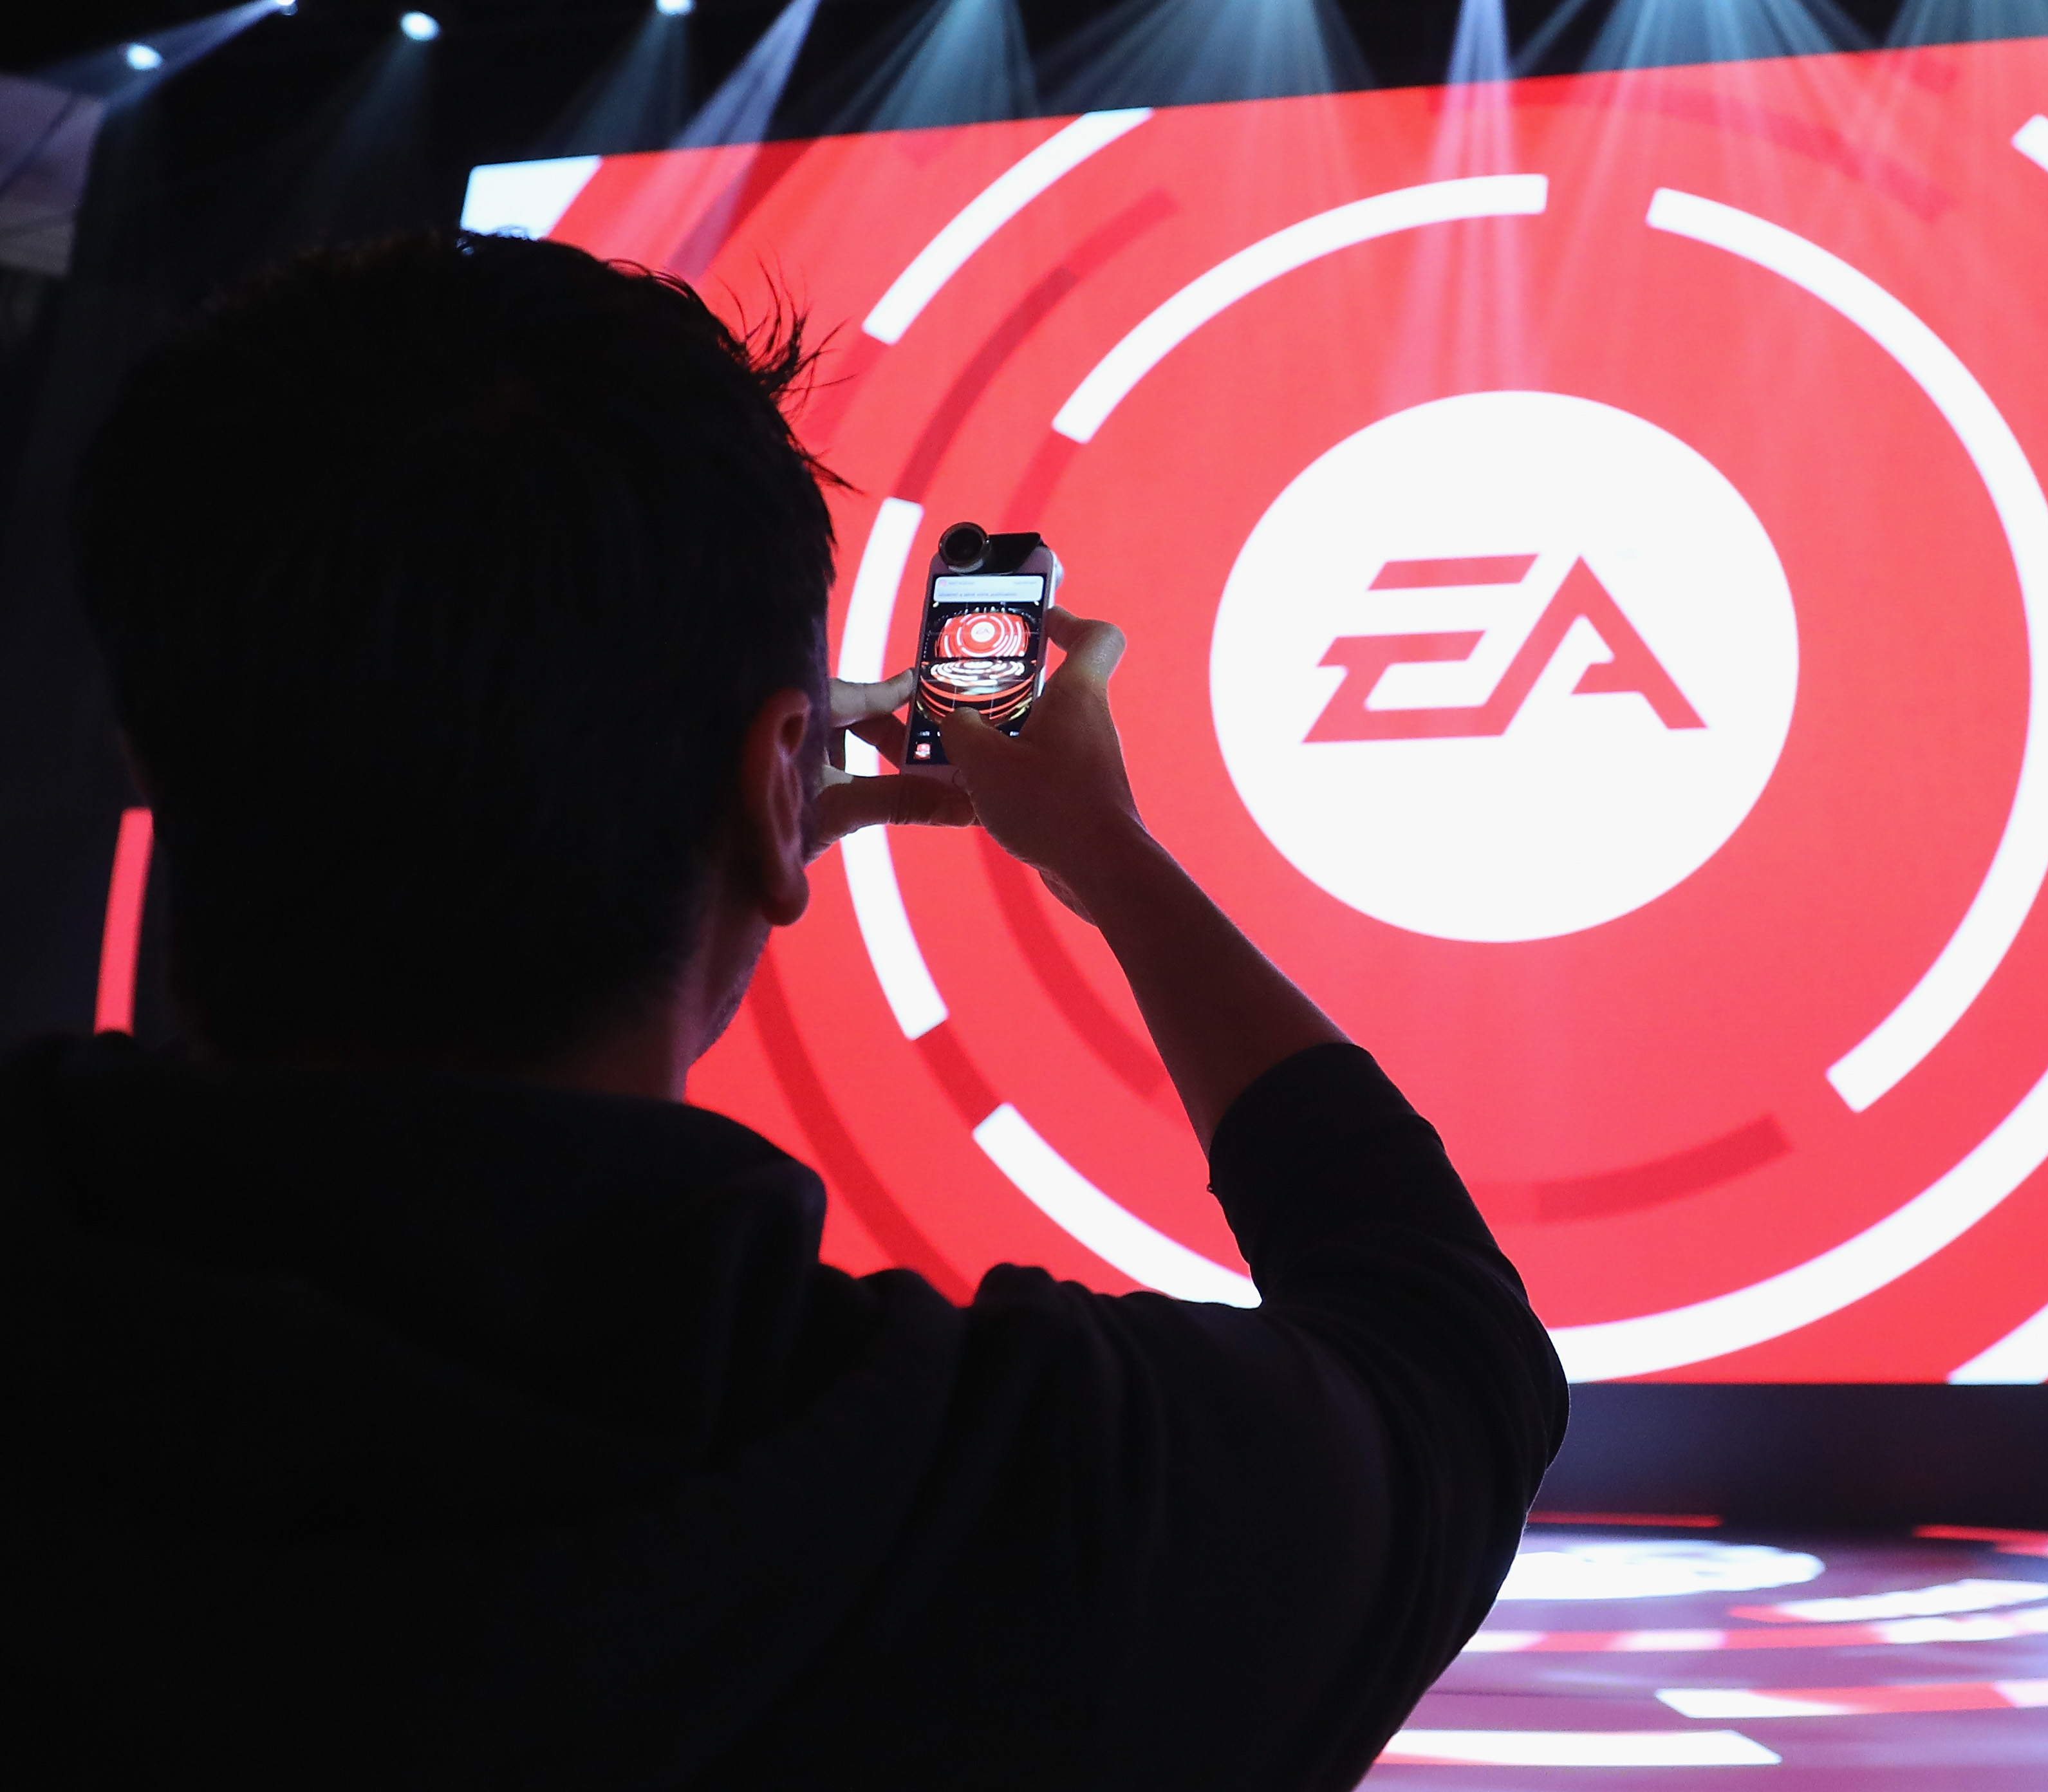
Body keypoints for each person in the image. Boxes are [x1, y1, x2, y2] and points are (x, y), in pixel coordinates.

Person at [2, 231, 1566, 1787]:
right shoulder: (1022, 1506)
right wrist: (1105, 853)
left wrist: (728, 809)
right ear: (777, 789)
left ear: (151, 762)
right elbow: (1450, 1358)